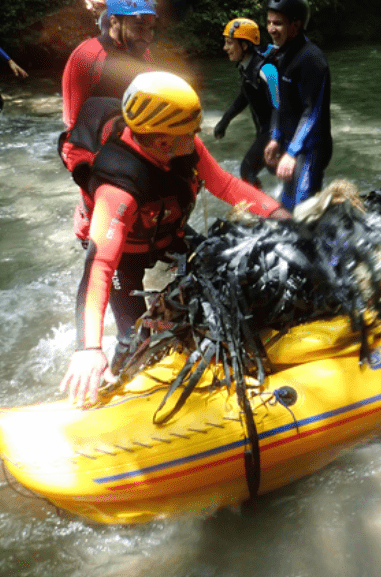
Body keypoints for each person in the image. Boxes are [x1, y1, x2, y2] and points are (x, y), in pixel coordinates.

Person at [58, 71, 291, 407]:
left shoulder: (181, 146)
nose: (197, 137)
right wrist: (89, 348)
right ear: (164, 141)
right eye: (192, 131)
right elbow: (99, 268)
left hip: (168, 235)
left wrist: (282, 216)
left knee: (220, 275)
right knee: (135, 335)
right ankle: (118, 386)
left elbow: (225, 186)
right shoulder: (118, 191)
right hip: (125, 254)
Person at [263, 0, 332, 210]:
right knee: (286, 207)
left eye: (278, 24)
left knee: (302, 210)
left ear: (295, 25)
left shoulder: (312, 59)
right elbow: (278, 103)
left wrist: (292, 153)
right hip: (290, 144)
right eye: (269, 22)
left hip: (311, 149)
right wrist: (275, 137)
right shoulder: (280, 54)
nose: (271, 29)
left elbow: (313, 112)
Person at [61, 0, 157, 130]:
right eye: (139, 28)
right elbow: (73, 124)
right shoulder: (87, 56)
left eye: (151, 28)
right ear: (114, 21)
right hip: (100, 143)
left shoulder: (146, 55)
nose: (148, 37)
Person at [214, 17, 279, 189]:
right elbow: (245, 96)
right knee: (275, 170)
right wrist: (225, 120)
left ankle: (262, 212)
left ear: (244, 45)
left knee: (247, 171)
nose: (225, 48)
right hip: (265, 131)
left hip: (276, 131)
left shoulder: (267, 69)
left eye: (229, 43)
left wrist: (276, 139)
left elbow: (279, 104)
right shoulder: (246, 67)